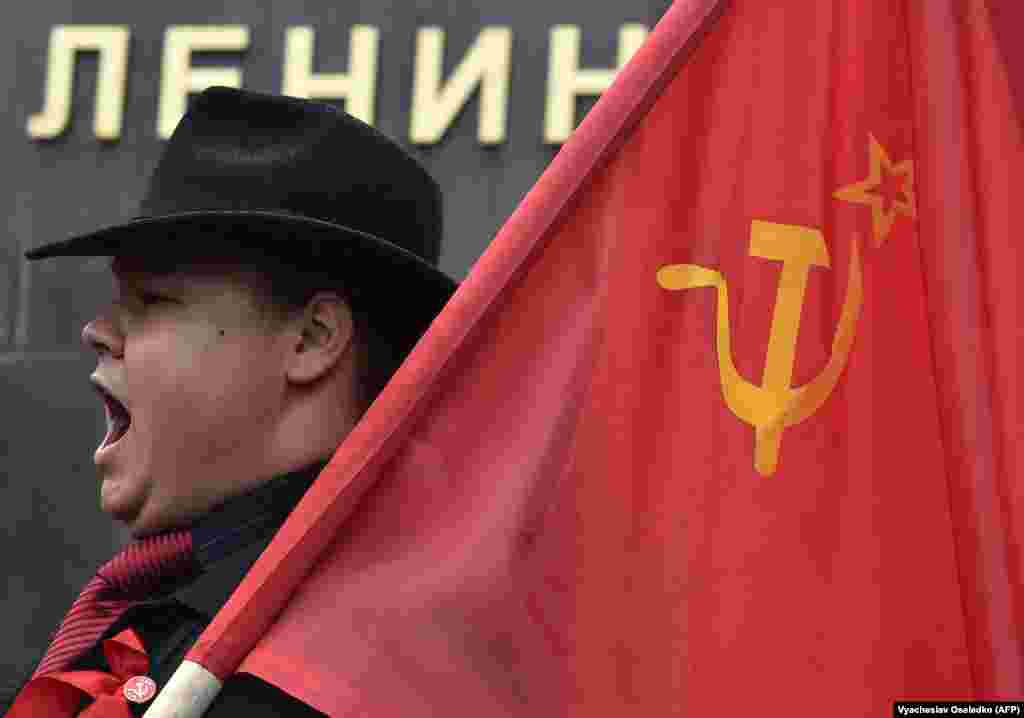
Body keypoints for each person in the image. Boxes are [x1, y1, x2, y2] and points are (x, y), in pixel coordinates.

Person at [4, 86, 456, 717]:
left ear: (312, 339)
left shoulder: (351, 670)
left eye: (154, 300)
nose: (98, 330)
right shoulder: (167, 615)